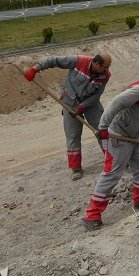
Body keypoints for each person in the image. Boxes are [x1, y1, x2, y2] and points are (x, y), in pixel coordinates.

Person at [83, 61, 139, 231]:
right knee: (112, 173)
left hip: (133, 137)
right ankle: (92, 215)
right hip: (119, 137)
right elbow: (115, 103)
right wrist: (102, 127)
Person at [24, 53, 112, 181]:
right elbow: (53, 60)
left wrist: (83, 106)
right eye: (105, 67)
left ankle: (112, 159)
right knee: (73, 134)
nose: (107, 70)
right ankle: (76, 168)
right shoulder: (78, 61)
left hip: (90, 103)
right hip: (70, 101)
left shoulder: (105, 75)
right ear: (96, 63)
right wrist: (35, 69)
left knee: (102, 129)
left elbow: (97, 94)